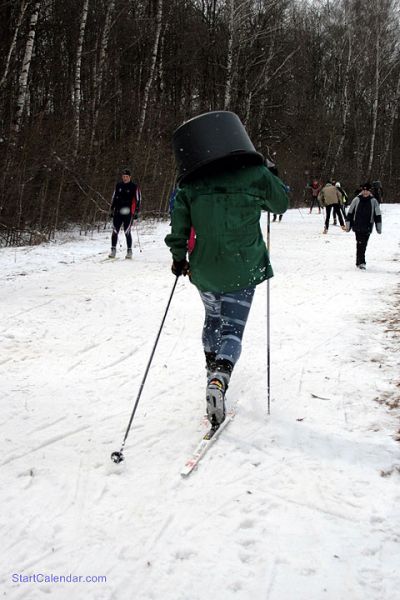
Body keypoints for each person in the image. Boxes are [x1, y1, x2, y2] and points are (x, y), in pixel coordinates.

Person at [165, 111, 288, 427]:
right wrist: (271, 174)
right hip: (242, 268)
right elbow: (281, 203)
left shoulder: (192, 184)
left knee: (212, 318)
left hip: (204, 269)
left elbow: (178, 227)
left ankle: (210, 367)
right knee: (232, 328)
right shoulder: (254, 174)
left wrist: (179, 258)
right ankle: (219, 377)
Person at [345, 182, 382, 269]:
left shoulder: (373, 201)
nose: (365, 192)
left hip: (367, 226)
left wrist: (378, 227)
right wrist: (348, 225)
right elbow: (350, 212)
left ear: (370, 191)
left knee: (363, 244)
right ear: (362, 191)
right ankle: (361, 262)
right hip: (357, 225)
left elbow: (377, 215)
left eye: (367, 191)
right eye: (364, 190)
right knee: (360, 243)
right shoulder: (356, 200)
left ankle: (358, 261)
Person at [109, 169, 141, 259]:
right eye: (123, 177)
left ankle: (129, 251)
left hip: (128, 212)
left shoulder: (134, 186)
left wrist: (136, 211)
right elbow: (114, 197)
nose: (125, 178)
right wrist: (112, 209)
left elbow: (138, 199)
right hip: (118, 211)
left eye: (127, 177)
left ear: (130, 177)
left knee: (127, 231)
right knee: (115, 230)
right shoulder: (118, 185)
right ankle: (113, 250)